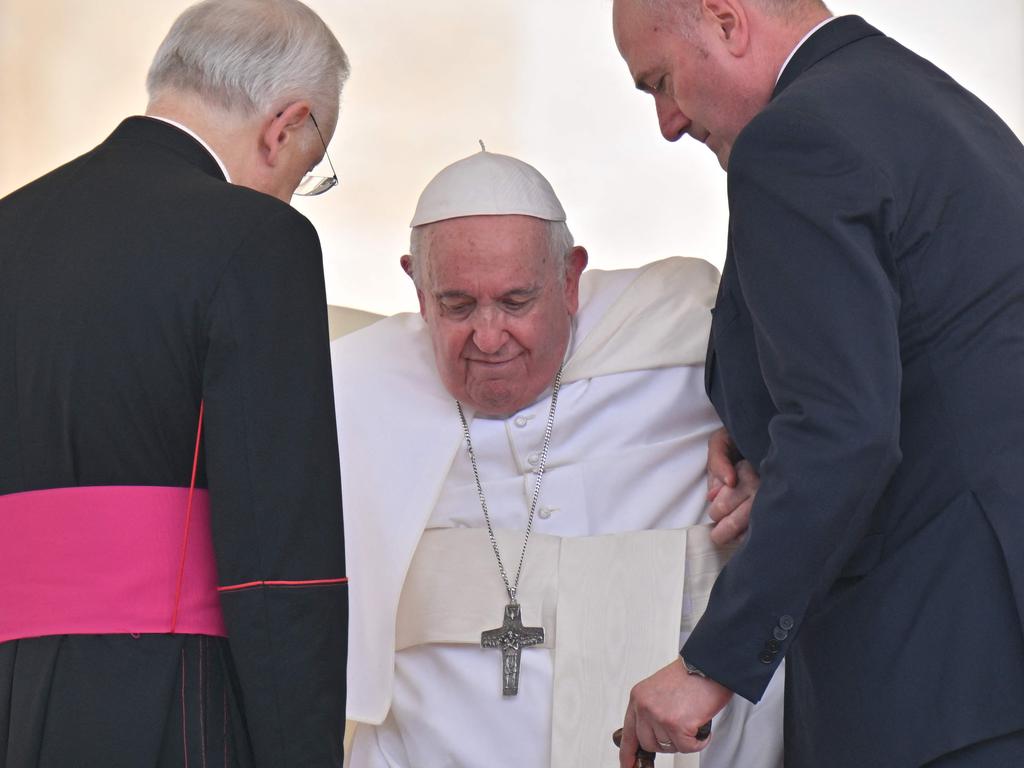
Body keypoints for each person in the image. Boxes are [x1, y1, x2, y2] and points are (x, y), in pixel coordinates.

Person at [610, 1, 1024, 766]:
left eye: (660, 82)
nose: (668, 122)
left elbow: (847, 435)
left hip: (934, 676)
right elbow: (946, 367)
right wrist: (769, 427)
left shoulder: (793, 141)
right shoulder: (937, 106)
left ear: (727, 21)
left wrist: (710, 666)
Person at [333, 149, 783, 767]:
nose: (488, 338)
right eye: (457, 306)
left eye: (516, 302)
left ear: (570, 279)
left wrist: (763, 455)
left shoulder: (684, 329)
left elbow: (826, 432)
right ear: (416, 284)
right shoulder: (350, 385)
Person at [0, 1, 350, 765]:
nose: (297, 187)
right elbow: (279, 551)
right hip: (176, 703)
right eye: (310, 164)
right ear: (284, 127)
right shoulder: (261, 239)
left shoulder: (9, 227)